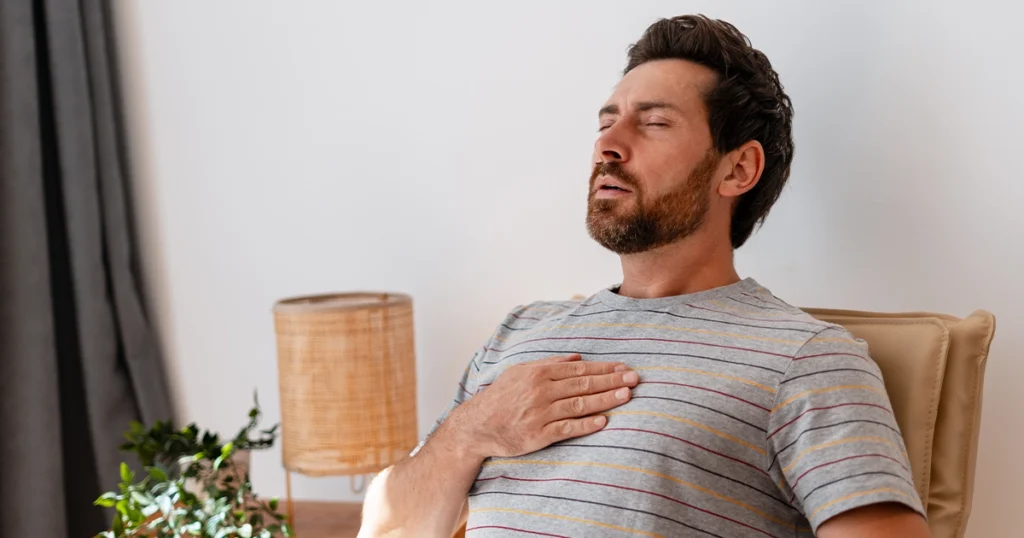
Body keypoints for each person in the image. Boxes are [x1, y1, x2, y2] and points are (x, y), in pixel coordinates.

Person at [359, 14, 929, 538]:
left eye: (654, 122)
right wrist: (470, 431)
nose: (607, 145)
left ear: (738, 168)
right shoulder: (520, 332)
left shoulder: (806, 359)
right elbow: (389, 530)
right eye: (606, 122)